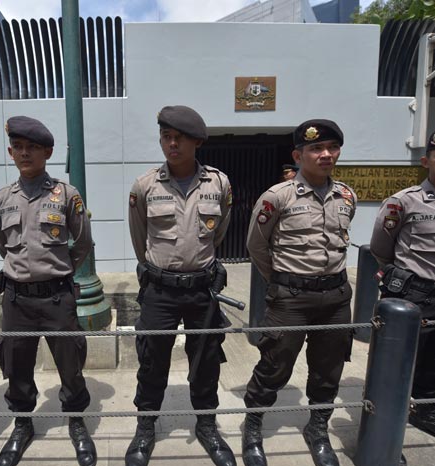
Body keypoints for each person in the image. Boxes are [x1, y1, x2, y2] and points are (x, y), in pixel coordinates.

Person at [126, 105, 235, 466]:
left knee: (206, 360)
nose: (172, 144)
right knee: (151, 359)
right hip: (160, 290)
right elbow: (139, 237)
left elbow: (218, 233)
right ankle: (145, 426)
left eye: (180, 138)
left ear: (197, 142)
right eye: (166, 137)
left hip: (202, 290)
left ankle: (206, 424)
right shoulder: (145, 185)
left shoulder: (219, 183)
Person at [243, 119, 355, 466]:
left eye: (332, 147)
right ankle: (253, 425)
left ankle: (317, 428)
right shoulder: (278, 197)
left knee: (328, 368)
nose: (326, 154)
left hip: (336, 298)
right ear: (298, 155)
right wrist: (282, 280)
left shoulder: (346, 195)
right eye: (316, 148)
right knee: (275, 364)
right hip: (290, 298)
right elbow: (256, 246)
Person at [0, 116, 96, 466]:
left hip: (56, 297)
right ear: (11, 152)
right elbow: (2, 246)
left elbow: (82, 242)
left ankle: (76, 420)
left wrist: (56, 271)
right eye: (18, 147)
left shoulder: (66, 195)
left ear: (47, 152)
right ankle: (23, 424)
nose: (25, 153)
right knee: (16, 364)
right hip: (16, 298)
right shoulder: (1, 198)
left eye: (32, 147)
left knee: (70, 362)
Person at [370, 128, 435, 459]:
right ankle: (384, 431)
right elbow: (381, 248)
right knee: (396, 367)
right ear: (426, 161)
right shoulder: (403, 202)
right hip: (415, 297)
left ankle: (427, 414)